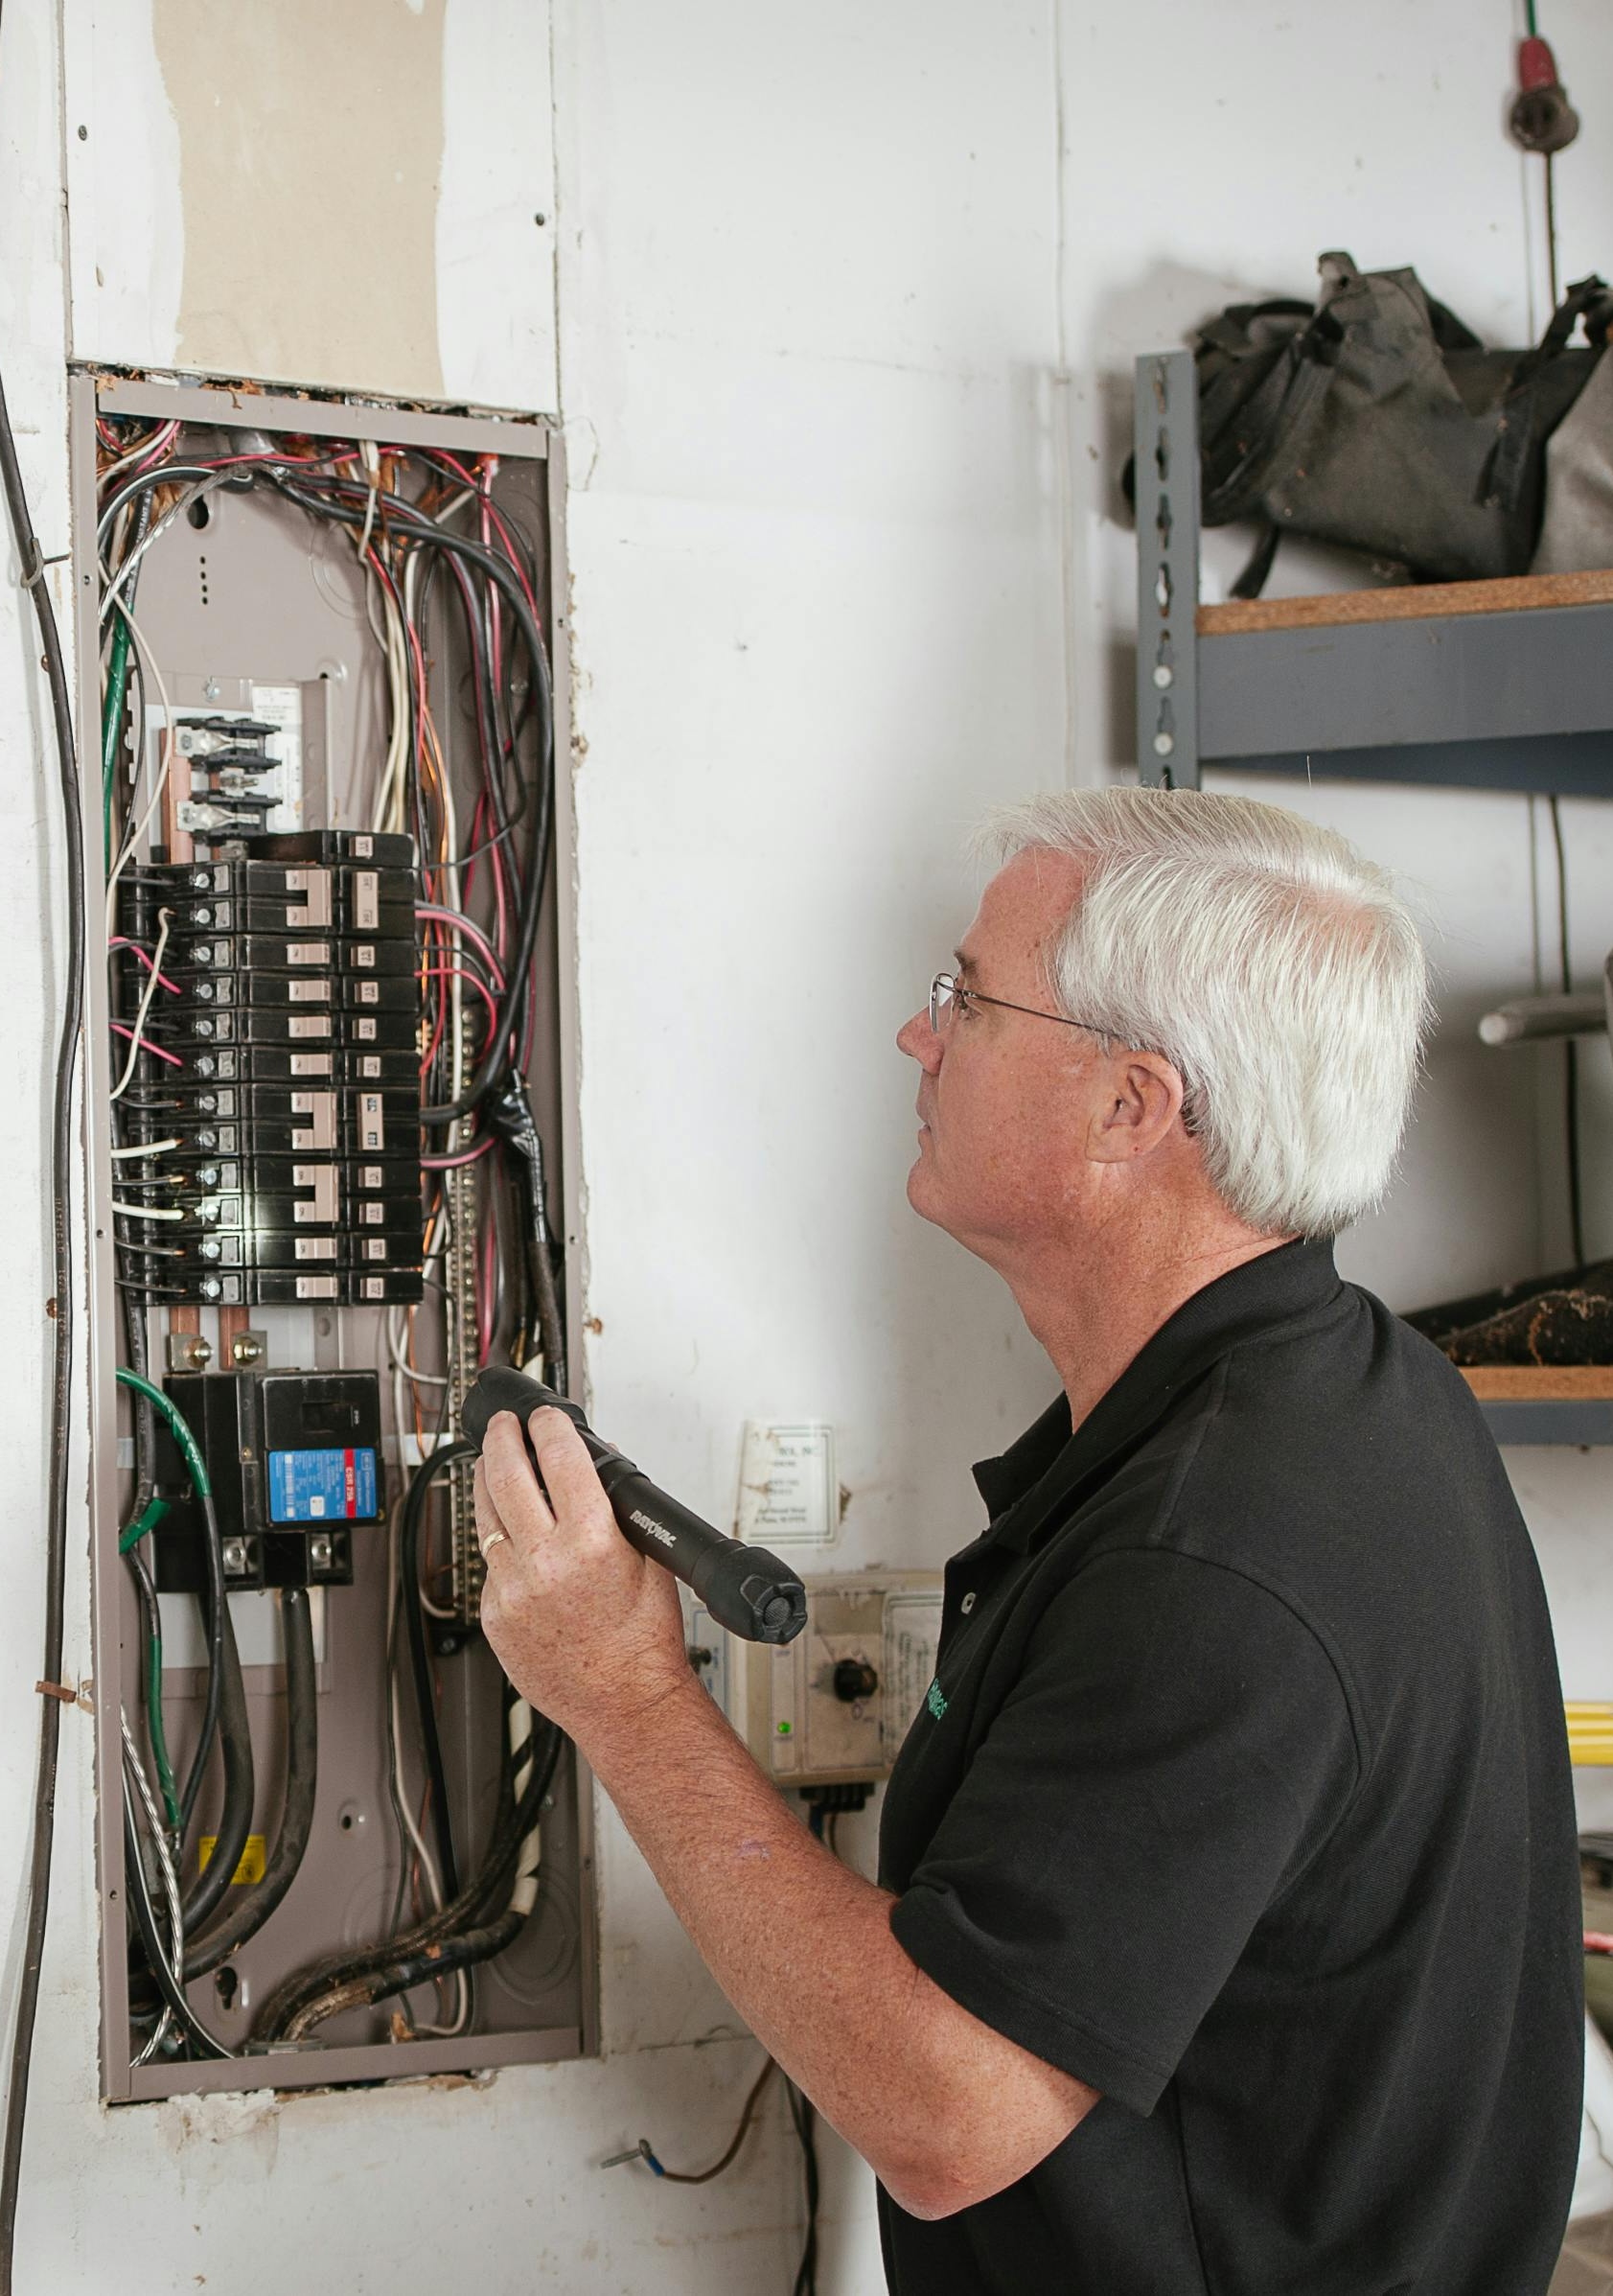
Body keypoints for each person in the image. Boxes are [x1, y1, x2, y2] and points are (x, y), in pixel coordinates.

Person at [472, 786, 1582, 2295]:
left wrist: (624, 1692)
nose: (917, 1039)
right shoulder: (1366, 1390)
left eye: (968, 1001)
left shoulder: (1216, 1556)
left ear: (1132, 1106)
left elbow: (947, 2112)